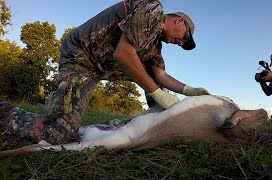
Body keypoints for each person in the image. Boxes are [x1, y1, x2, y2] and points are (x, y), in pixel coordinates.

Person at [0, 0, 210, 144]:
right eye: (185, 37)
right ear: (179, 21)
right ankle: (5, 111)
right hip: (80, 57)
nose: (181, 43)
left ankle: (152, 126)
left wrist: (191, 91)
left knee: (157, 85)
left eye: (184, 43)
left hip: (101, 68)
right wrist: (161, 96)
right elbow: (123, 54)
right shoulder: (152, 9)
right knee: (55, 135)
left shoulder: (155, 47)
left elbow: (160, 76)